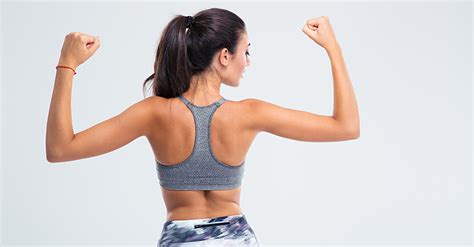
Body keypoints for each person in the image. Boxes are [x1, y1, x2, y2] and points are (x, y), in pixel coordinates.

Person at [46, 7, 359, 247]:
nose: (247, 62)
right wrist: (333, 49)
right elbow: (346, 127)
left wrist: (67, 64)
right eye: (245, 51)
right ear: (224, 56)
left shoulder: (154, 113)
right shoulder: (250, 113)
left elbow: (60, 149)